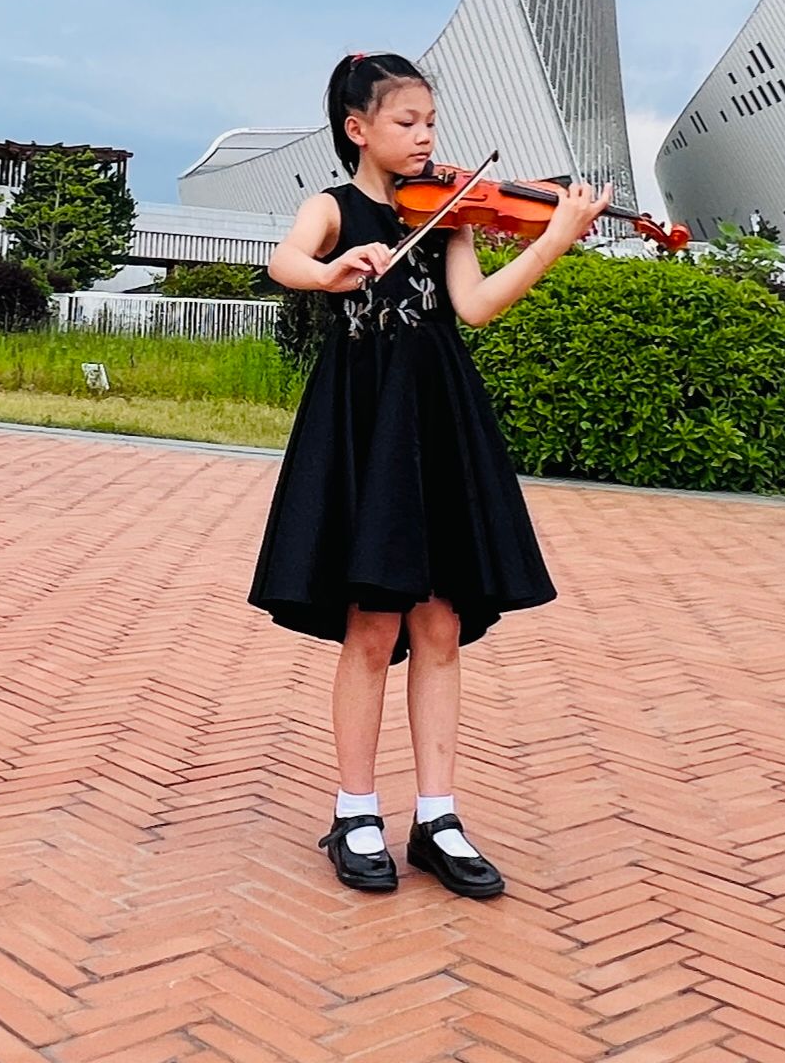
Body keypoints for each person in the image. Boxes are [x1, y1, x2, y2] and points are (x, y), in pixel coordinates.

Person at [250, 51, 610, 898]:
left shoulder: (449, 213)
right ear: (358, 129)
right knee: (373, 625)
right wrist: (331, 271)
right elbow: (284, 262)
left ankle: (438, 818)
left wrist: (555, 239)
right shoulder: (332, 209)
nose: (425, 138)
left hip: (439, 420)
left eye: (431, 124)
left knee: (441, 625)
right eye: (407, 123)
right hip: (366, 426)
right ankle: (355, 811)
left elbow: (476, 307)